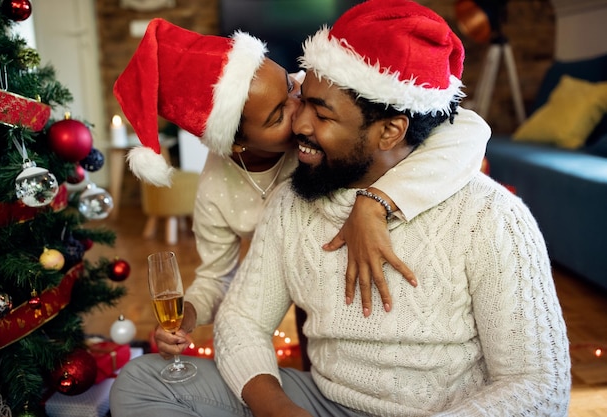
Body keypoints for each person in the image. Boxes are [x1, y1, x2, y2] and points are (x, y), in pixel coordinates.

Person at [111, 0, 570, 415]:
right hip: (324, 401)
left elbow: (538, 386)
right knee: (142, 381)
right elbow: (242, 318)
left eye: (320, 113)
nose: (299, 123)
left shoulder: (490, 217)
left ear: (389, 132)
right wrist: (279, 410)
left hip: (443, 409)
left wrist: (375, 204)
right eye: (298, 102)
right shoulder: (291, 199)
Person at [112, 14, 491, 365]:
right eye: (279, 115)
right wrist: (187, 316)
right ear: (237, 145)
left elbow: (470, 128)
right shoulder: (216, 190)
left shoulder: (318, 97)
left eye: (293, 88)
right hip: (307, 294)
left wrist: (374, 203)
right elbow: (215, 277)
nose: (302, 114)